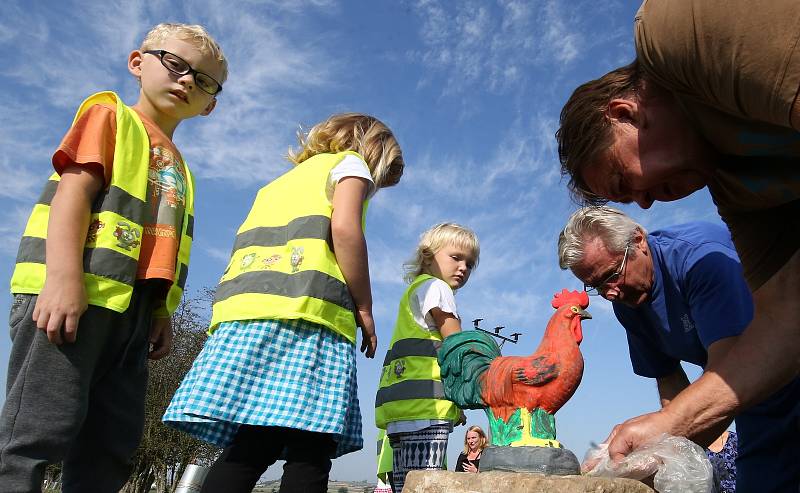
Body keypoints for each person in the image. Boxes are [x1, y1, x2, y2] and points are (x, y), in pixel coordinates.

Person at [556, 1, 800, 490]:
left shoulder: (674, 35)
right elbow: (786, 316)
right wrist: (667, 431)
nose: (644, 204)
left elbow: (732, 364)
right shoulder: (738, 189)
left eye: (628, 181)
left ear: (626, 112)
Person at [0, 23, 227, 492]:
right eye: (175, 64)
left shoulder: (180, 167)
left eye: (204, 80)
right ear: (138, 63)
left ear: (211, 105)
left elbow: (162, 248)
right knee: (38, 430)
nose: (187, 81)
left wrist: (160, 312)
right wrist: (63, 279)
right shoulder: (110, 117)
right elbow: (73, 197)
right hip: (73, 299)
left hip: (133, 316)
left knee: (111, 444)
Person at [163, 113, 404, 493]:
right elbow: (344, 229)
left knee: (254, 441)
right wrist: (365, 308)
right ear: (371, 150)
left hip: (247, 315)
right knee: (313, 443)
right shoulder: (351, 164)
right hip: (309, 317)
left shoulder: (278, 184)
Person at [557, 206, 799, 491]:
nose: (609, 293)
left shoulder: (700, 259)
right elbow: (670, 387)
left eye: (611, 274)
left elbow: (729, 377)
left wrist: (663, 429)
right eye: (595, 285)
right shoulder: (628, 307)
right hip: (755, 406)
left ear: (638, 240)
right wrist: (651, 454)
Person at [375, 223, 479, 493]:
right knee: (425, 485)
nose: (464, 267)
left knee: (405, 484)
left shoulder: (414, 291)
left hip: (401, 410)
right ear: (428, 255)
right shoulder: (437, 288)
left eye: (470, 263)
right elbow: (456, 345)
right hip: (426, 411)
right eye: (456, 257)